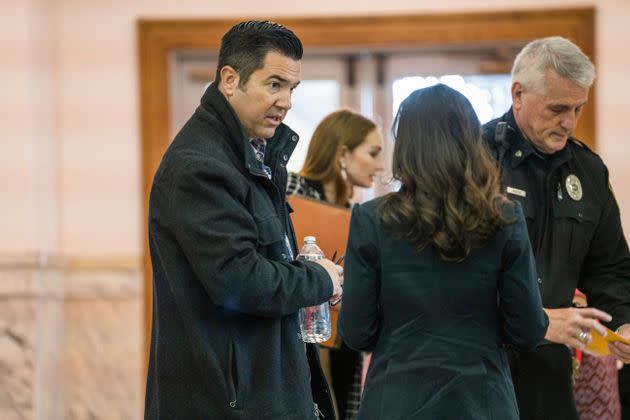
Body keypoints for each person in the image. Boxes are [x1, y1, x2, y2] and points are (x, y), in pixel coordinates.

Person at [144, 20, 342, 419]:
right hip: (226, 401)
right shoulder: (200, 166)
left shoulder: (254, 154)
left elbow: (261, 262)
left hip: (258, 391)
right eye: (274, 84)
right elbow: (239, 280)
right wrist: (319, 280)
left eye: (292, 89)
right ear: (230, 80)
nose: (286, 101)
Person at [338, 84, 549, 419]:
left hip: (395, 400)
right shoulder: (504, 218)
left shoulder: (371, 219)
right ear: (471, 142)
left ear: (405, 145)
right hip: (482, 400)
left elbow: (356, 331)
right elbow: (527, 331)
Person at [483, 36, 630, 419]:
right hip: (479, 367)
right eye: (558, 108)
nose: (569, 122)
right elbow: (445, 277)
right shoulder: (472, 158)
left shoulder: (588, 170)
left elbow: (609, 267)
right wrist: (538, 320)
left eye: (579, 108)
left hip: (549, 373)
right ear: (518, 94)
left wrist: (624, 321)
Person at [286, 109, 384, 419]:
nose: (380, 165)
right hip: (298, 341)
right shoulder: (289, 191)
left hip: (343, 343)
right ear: (343, 153)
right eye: (373, 153)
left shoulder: (357, 213)